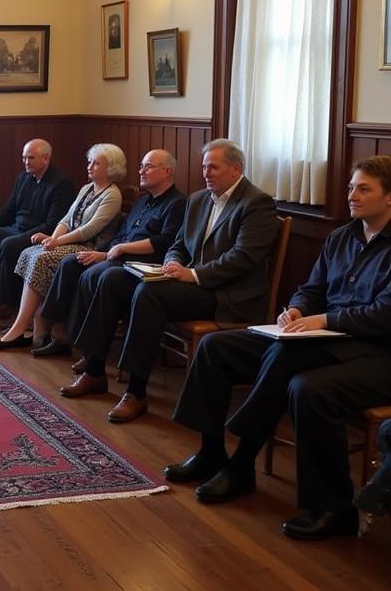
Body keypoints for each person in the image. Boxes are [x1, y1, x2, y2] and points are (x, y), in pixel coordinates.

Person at [163, 156, 391, 539]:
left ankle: (328, 505)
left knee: (304, 384)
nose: (351, 195)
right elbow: (312, 288)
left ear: (389, 198)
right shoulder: (341, 237)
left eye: (363, 189)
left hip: (376, 350)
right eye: (351, 187)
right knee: (217, 348)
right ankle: (212, 452)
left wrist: (325, 320)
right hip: (320, 339)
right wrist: (299, 308)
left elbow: (385, 314)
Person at [61, 139, 277, 424]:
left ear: (236, 169)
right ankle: (95, 370)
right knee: (114, 278)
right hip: (188, 282)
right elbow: (179, 243)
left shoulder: (256, 203)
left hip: (225, 294)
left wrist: (194, 274)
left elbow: (243, 258)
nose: (206, 173)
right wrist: (172, 262)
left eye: (214, 167)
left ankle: (136, 391)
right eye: (204, 167)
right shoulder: (199, 199)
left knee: (149, 294)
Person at [31, 150, 185, 357]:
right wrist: (101, 253)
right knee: (71, 263)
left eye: (147, 166)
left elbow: (165, 242)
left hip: (142, 264)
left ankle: (87, 350)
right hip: (116, 255)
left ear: (167, 172)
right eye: (141, 166)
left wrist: (119, 250)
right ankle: (59, 332)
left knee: (94, 274)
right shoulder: (143, 200)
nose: (141, 171)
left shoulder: (177, 203)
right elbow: (121, 234)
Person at [0, 144, 124, 350]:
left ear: (111, 168)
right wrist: (52, 238)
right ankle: (33, 325)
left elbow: (90, 229)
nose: (90, 166)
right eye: (90, 161)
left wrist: (57, 242)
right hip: (70, 241)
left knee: (42, 258)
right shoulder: (86, 189)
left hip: (88, 247)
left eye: (96, 163)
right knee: (29, 252)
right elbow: (67, 219)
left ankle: (26, 327)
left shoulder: (112, 195)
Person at [0, 139, 76, 320]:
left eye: (31, 158)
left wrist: (24, 236)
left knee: (9, 245)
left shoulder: (61, 184)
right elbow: (8, 209)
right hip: (15, 228)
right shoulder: (23, 178)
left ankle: (3, 303)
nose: (26, 162)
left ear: (46, 158)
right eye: (24, 158)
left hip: (39, 234)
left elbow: (53, 223)